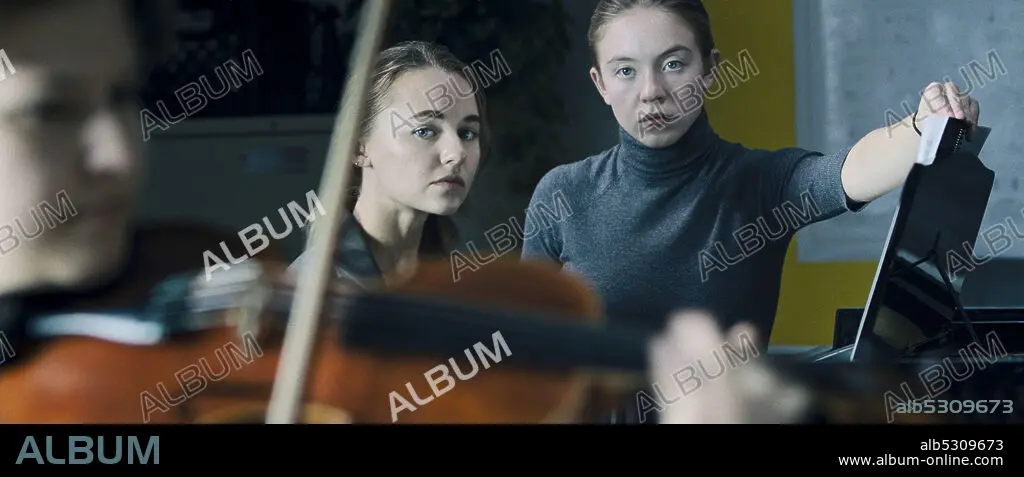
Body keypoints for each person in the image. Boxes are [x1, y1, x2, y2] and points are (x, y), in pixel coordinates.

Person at [522, 0, 979, 344]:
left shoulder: (761, 182)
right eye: (625, 71)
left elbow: (850, 170)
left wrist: (923, 127)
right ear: (600, 83)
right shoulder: (563, 192)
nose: (651, 91)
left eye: (674, 64)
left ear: (711, 70)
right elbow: (528, 345)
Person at [289, 41, 488, 288]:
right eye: (424, 131)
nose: (457, 154)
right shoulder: (312, 292)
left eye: (467, 133)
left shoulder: (456, 285)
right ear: (358, 148)